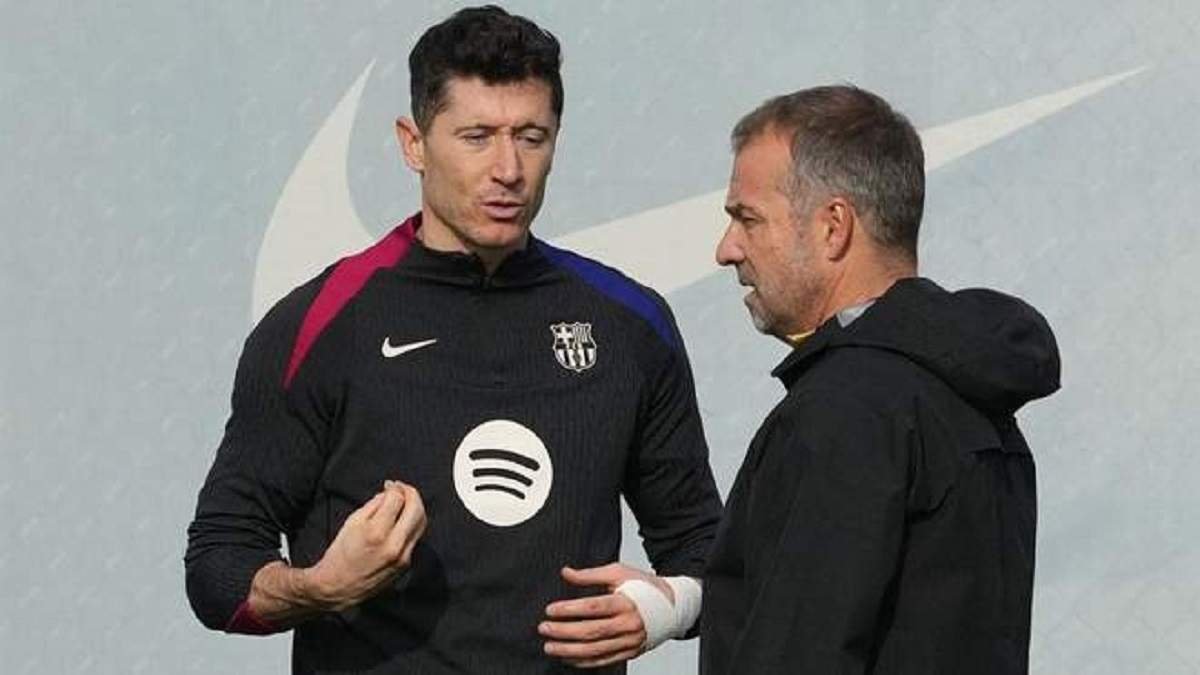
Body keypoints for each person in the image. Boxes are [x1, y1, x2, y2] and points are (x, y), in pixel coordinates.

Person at [185, 6, 721, 673]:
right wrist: (320, 586)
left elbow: (706, 549)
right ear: (413, 143)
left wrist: (667, 608)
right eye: (476, 137)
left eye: (531, 136)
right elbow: (218, 566)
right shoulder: (318, 325)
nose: (508, 168)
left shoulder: (630, 323)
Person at [699, 85, 1061, 674]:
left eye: (748, 218)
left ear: (833, 227)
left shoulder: (848, 411)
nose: (726, 249)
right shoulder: (963, 390)